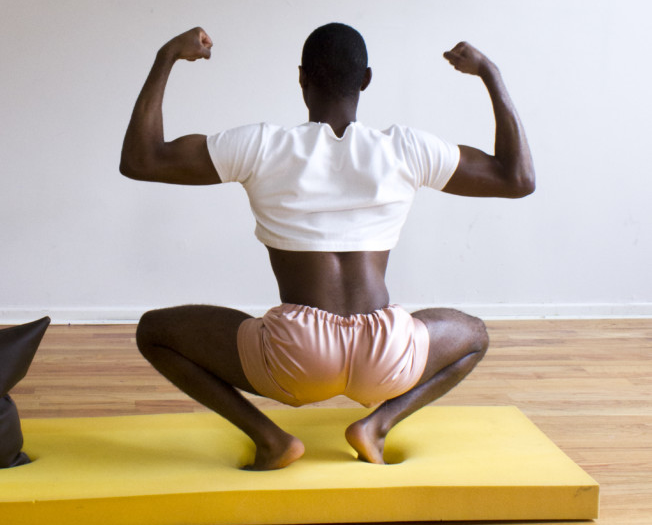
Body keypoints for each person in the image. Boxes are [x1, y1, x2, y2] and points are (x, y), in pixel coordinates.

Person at [119, 24, 534, 471]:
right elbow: (517, 178)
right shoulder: (406, 149)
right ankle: (377, 425)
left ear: (302, 78)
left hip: (296, 357)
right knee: (474, 334)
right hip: (386, 354)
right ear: (366, 80)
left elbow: (141, 160)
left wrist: (167, 56)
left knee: (154, 331)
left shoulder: (261, 146)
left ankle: (270, 438)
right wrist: (489, 73)